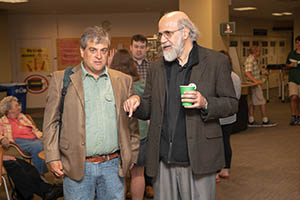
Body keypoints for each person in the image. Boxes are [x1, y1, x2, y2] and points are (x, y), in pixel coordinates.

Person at [123, 11, 238, 200]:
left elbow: (231, 104)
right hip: (163, 160)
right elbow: (149, 106)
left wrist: (205, 102)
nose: (162, 40)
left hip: (199, 158)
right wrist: (136, 102)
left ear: (185, 33)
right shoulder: (157, 67)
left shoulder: (215, 61)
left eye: (168, 33)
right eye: (160, 34)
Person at [42, 26, 140, 200]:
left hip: (112, 165)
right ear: (82, 51)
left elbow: (131, 123)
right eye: (93, 50)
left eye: (103, 51)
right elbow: (51, 122)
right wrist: (52, 156)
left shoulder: (123, 81)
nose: (99, 56)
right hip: (76, 164)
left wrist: (132, 153)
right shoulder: (61, 79)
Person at [110, 49, 149, 200]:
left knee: (120, 175)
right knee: (138, 173)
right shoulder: (141, 84)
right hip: (140, 134)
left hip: (118, 135)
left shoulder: (111, 83)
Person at [130, 34, 154, 198]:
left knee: (147, 154)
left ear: (146, 49)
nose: (139, 50)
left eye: (142, 47)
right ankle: (131, 187)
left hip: (148, 114)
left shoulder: (153, 66)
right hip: (130, 114)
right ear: (131, 47)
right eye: (136, 46)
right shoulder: (125, 65)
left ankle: (148, 185)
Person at [0, 96, 48, 175]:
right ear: (9, 110)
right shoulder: (2, 121)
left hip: (34, 139)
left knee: (55, 143)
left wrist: (40, 136)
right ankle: (39, 175)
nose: (19, 107)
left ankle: (60, 175)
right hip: (17, 142)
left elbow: (34, 129)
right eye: (16, 106)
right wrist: (3, 139)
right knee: (38, 146)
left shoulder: (22, 116)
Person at [216, 50, 241, 182]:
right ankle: (225, 169)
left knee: (215, 143)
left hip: (218, 117)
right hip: (230, 116)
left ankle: (215, 171)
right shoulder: (235, 77)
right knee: (226, 141)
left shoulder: (216, 76)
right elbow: (236, 98)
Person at [244, 46, 277, 127]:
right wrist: (257, 81)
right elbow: (247, 73)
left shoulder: (253, 60)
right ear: (255, 52)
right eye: (259, 51)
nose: (260, 53)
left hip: (253, 84)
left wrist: (262, 73)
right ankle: (265, 120)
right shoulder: (250, 60)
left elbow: (253, 72)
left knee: (252, 103)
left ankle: (251, 121)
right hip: (254, 85)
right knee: (262, 101)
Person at [286, 35, 300, 125]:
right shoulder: (291, 54)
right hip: (293, 79)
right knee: (294, 97)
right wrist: (289, 65)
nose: (298, 45)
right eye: (297, 43)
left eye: (299, 43)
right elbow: (286, 64)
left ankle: (299, 116)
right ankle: (293, 116)